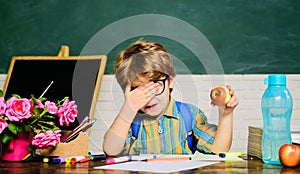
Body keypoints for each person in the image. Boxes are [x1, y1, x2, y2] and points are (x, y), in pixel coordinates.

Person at [103, 40, 239, 156]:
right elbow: (110, 149)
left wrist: (226, 113)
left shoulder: (189, 115)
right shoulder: (129, 121)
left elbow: (219, 149)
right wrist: (128, 108)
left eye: (155, 87)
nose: (149, 99)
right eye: (139, 91)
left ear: (170, 81)